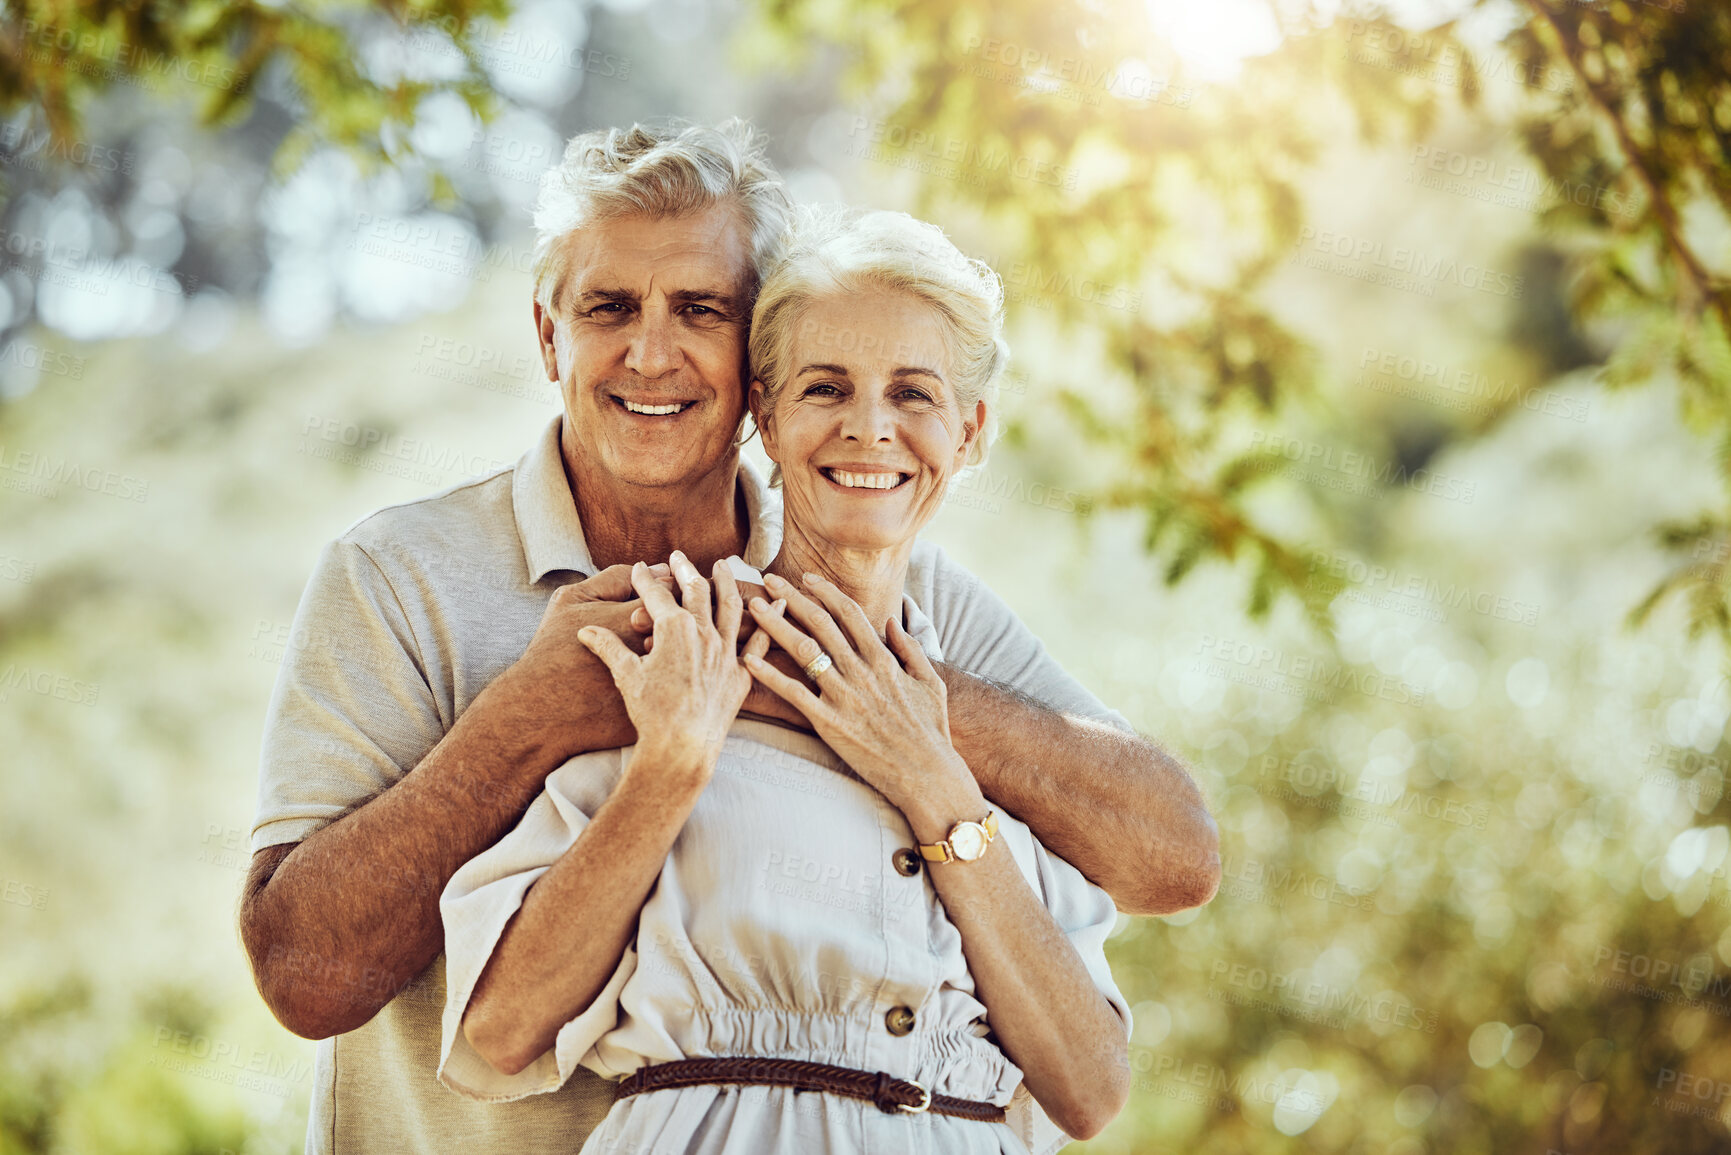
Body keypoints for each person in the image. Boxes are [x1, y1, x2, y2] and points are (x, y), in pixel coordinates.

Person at [240, 119, 1216, 1154]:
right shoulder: (403, 576)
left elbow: (1172, 859)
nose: (651, 353)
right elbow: (306, 979)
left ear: (751, 364)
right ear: (548, 337)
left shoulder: (907, 595)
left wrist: (877, 694)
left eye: (699, 310)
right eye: (608, 308)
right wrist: (528, 722)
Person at [438, 206, 1130, 1154]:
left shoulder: (989, 732)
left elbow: (1090, 1092)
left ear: (967, 433)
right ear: (764, 412)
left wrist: (934, 785)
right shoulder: (672, 650)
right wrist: (671, 766)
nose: (868, 428)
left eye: (914, 396)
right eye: (826, 388)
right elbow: (502, 1026)